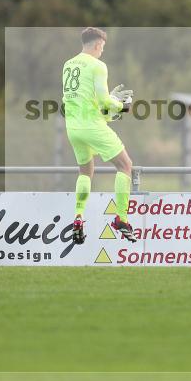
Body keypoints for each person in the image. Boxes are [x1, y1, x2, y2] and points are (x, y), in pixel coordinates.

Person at [62, 27, 137, 244]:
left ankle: (78, 217)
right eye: (102, 47)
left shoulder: (68, 64)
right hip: (92, 126)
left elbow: (81, 99)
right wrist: (122, 106)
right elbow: (104, 101)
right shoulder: (98, 65)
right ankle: (121, 218)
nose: (102, 51)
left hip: (73, 128)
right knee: (125, 165)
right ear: (97, 44)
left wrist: (108, 107)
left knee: (86, 172)